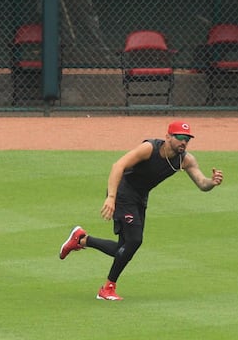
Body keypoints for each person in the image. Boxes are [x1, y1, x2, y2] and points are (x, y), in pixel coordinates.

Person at [59, 120, 224, 300]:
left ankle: (82, 239)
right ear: (168, 137)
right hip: (122, 192)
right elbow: (118, 166)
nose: (184, 142)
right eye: (180, 138)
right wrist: (111, 198)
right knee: (135, 240)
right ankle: (107, 288)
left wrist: (212, 182)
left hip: (139, 197)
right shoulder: (149, 148)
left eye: (187, 139)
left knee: (123, 248)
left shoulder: (186, 160)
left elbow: (202, 183)